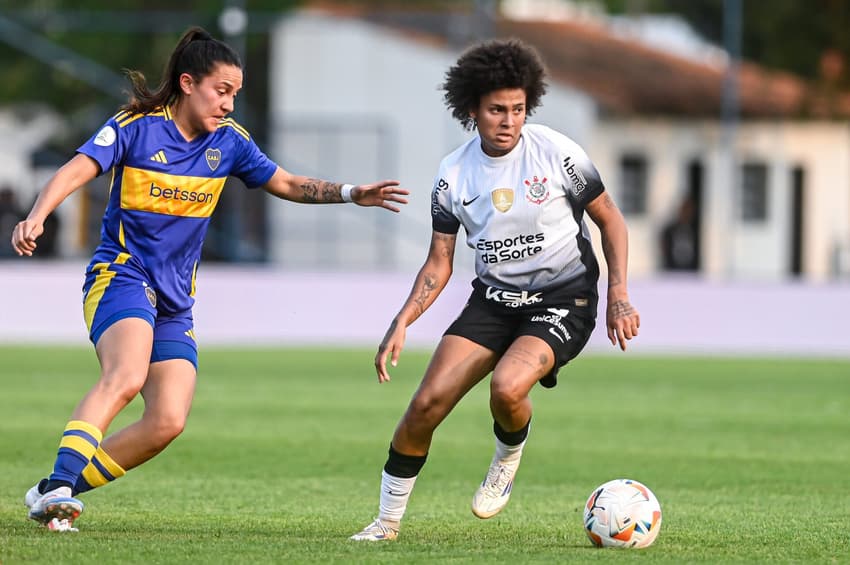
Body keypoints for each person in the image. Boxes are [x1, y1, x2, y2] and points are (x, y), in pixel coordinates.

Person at [11, 26, 408, 533]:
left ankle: (53, 489)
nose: (229, 105)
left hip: (176, 299)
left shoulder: (230, 143)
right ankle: (62, 487)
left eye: (235, 95)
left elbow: (285, 181)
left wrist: (351, 192)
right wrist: (39, 213)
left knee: (167, 421)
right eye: (222, 91)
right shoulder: (136, 126)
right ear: (188, 83)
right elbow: (77, 168)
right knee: (126, 377)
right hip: (122, 276)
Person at [350, 38, 640, 541]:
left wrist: (619, 295)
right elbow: (439, 262)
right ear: (471, 111)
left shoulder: (557, 152)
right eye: (497, 110)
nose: (509, 120)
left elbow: (611, 221)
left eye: (518, 109)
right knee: (424, 406)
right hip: (493, 301)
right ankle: (386, 523)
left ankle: (507, 456)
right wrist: (402, 321)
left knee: (507, 387)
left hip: (564, 299)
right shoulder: (454, 174)